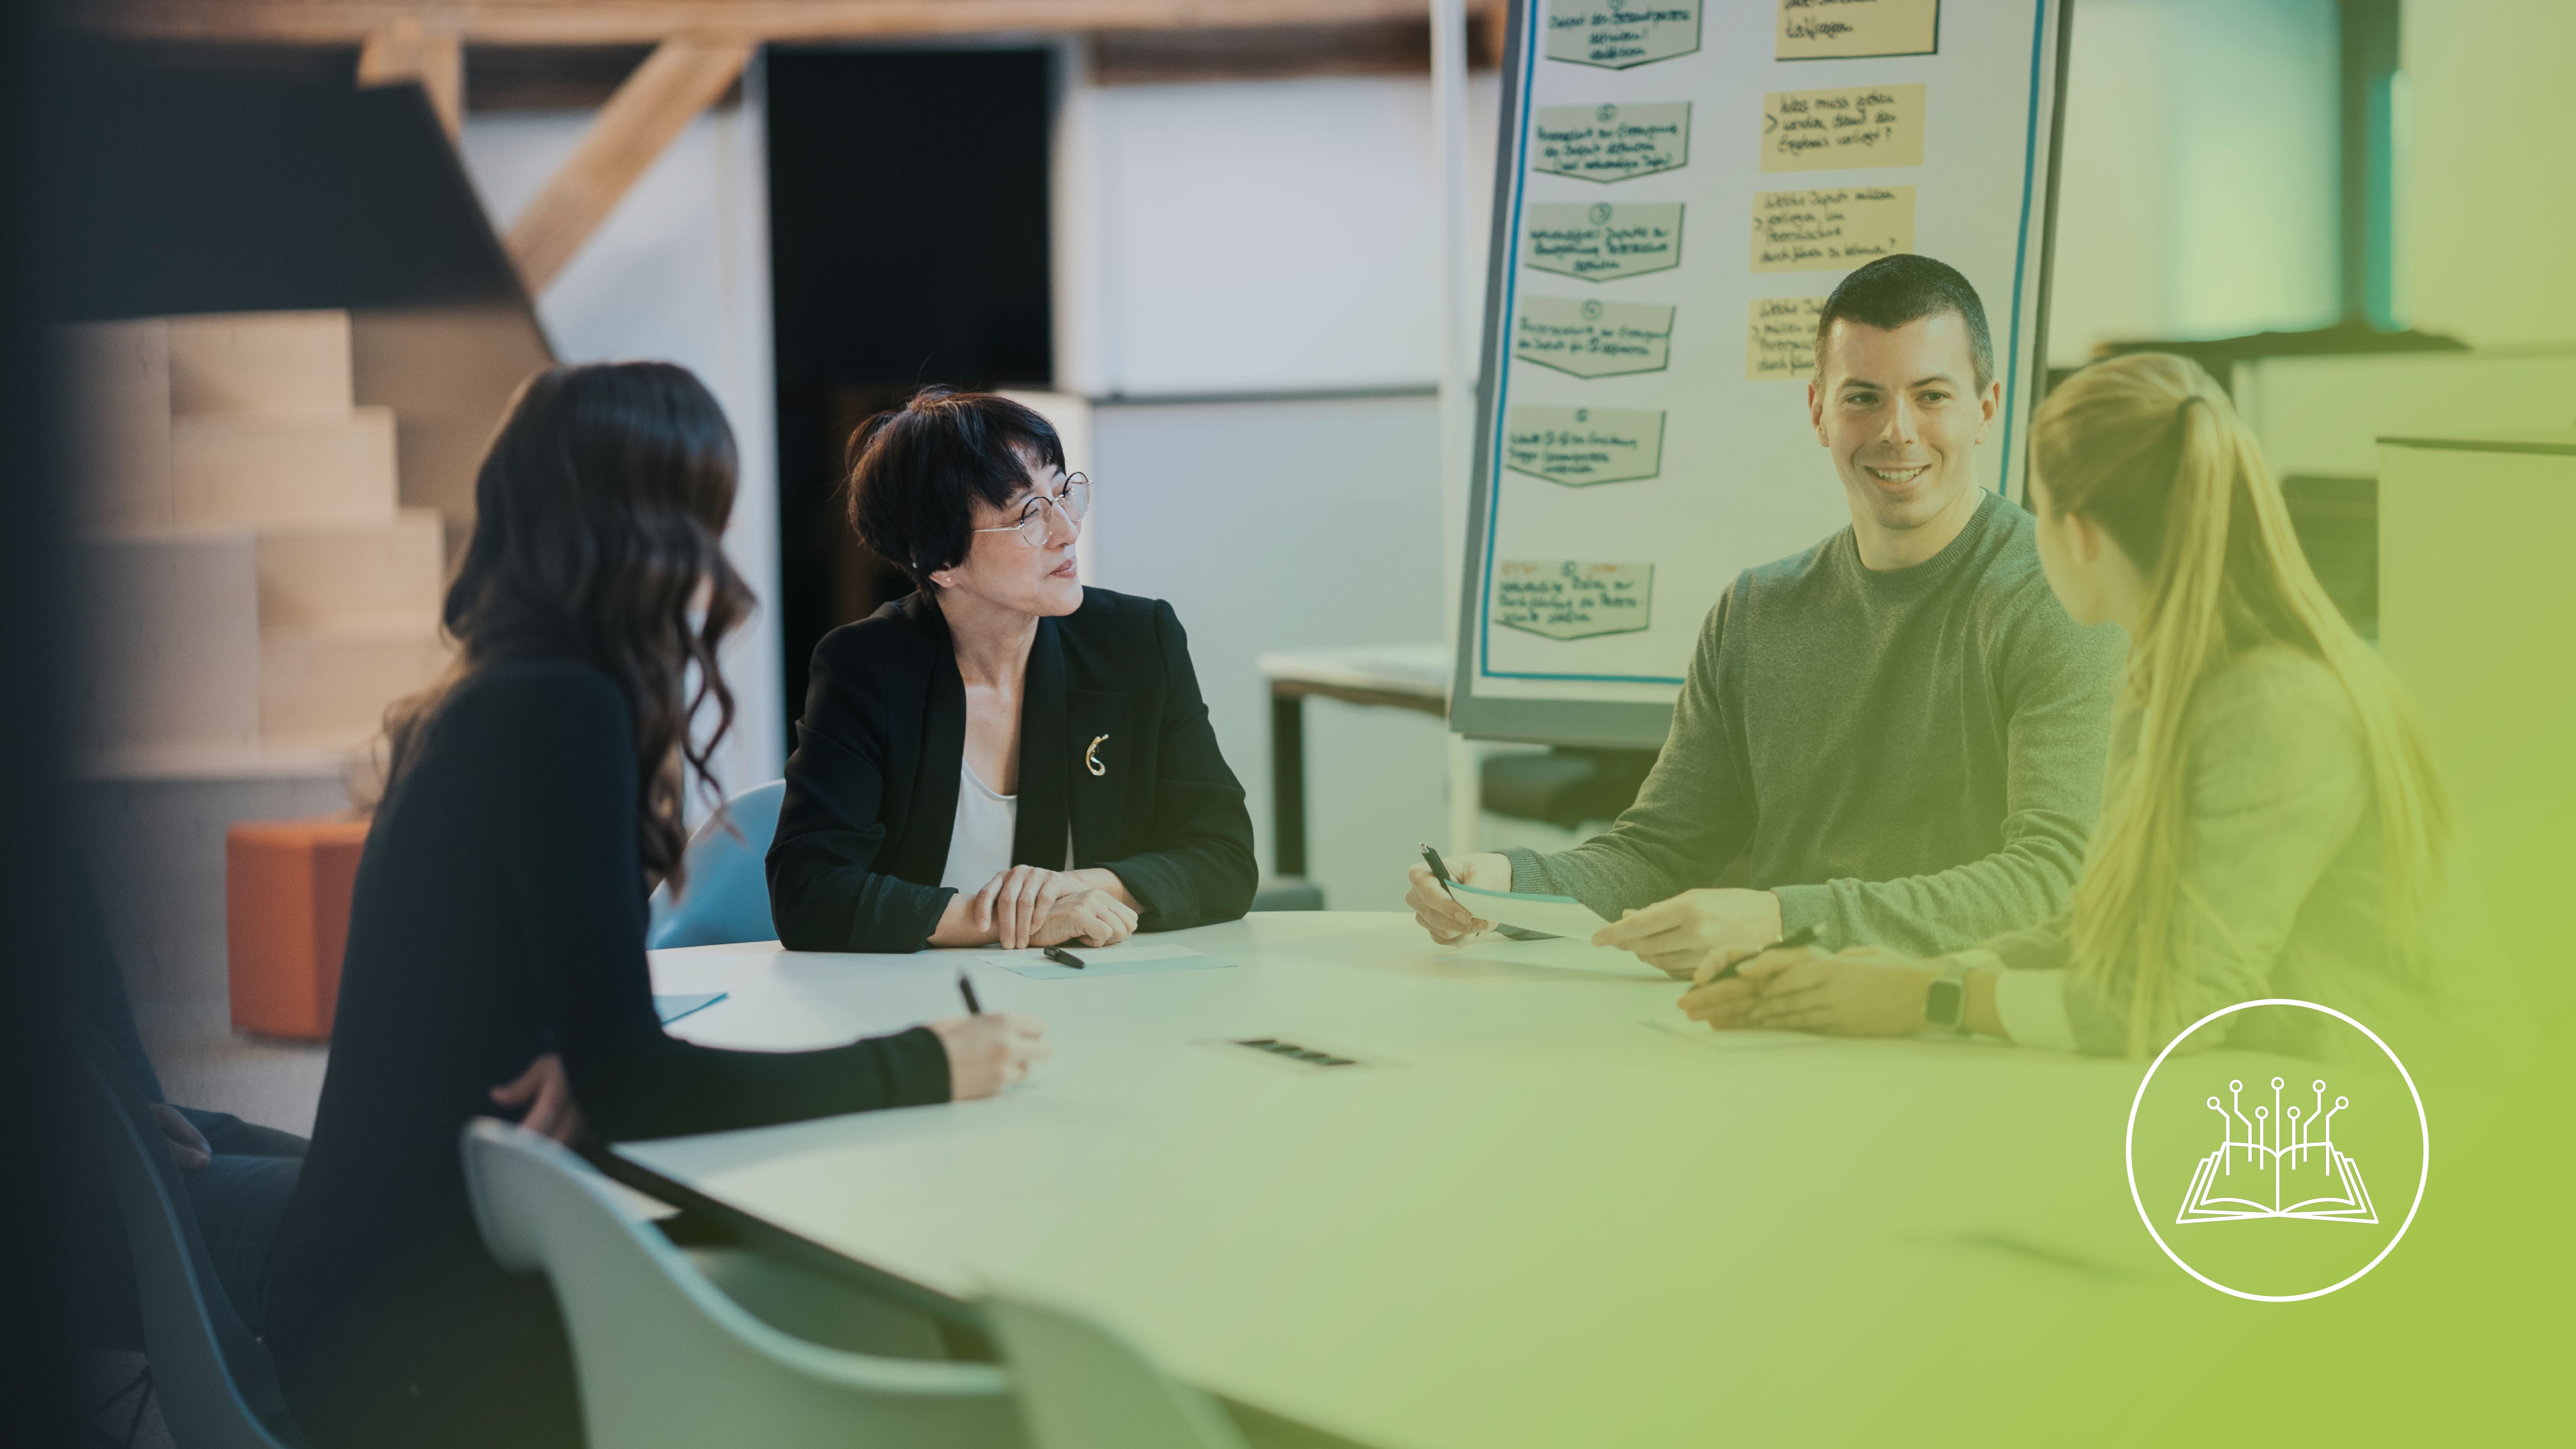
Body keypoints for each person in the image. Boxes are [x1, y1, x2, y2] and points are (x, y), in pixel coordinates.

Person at [263, 363, 1048, 1449]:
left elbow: (547, 1021)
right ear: (655, 531)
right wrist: (928, 1062)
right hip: (420, 1343)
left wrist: (577, 1047)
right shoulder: (561, 708)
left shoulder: (493, 694)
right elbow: (634, 1087)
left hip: (370, 1291)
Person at [1693, 352, 2464, 1058]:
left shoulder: (2277, 706)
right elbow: (2100, 930)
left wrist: (1925, 997)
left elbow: (2175, 1010)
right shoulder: (2160, 679)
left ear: (2080, 536)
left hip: (2427, 1138)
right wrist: (1884, 974)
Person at [1408, 255, 2125, 974]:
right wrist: (1509, 885)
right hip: (1774, 1016)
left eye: (1932, 396)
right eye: (1863, 398)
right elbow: (1662, 853)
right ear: (1819, 412)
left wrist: (1783, 918)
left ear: (1986, 410)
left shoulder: (2062, 597)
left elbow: (2055, 878)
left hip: (1956, 1031)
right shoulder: (1758, 612)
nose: (1897, 430)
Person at [767, 388, 1257, 954]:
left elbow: (1225, 859)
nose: (1066, 530)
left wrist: (1076, 890)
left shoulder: (1136, 640)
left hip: (1114, 998)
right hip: (931, 1009)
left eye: (1063, 493)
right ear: (939, 560)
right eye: (1029, 514)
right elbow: (809, 892)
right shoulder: (867, 669)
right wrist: (1002, 920)